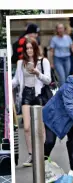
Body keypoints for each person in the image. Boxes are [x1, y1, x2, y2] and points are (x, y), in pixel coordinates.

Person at [11, 38, 51, 167]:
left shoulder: (43, 61)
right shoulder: (20, 63)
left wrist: (37, 73)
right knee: (27, 128)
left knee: (41, 128)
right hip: (26, 94)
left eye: (31, 48)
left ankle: (42, 154)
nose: (29, 50)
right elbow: (16, 81)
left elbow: (48, 80)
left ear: (35, 48)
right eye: (27, 48)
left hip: (39, 95)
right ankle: (31, 155)